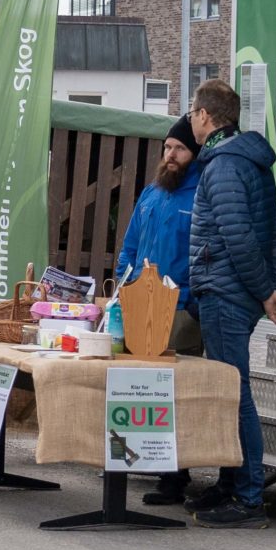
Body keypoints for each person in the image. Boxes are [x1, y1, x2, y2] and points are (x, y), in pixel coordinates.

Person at [182, 78, 276, 529]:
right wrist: (272, 286)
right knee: (229, 392)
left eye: (192, 111)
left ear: (205, 116)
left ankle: (247, 498)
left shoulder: (223, 165)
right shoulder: (250, 161)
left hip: (226, 289)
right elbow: (274, 231)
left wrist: (266, 291)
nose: (190, 119)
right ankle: (230, 485)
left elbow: (237, 235)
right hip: (238, 289)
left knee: (233, 393)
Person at [122, 118, 207, 505]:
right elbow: (130, 247)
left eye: (180, 149)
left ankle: (175, 477)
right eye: (168, 147)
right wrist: (125, 288)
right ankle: (134, 462)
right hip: (139, 305)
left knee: (170, 393)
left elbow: (205, 257)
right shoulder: (152, 194)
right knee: (139, 391)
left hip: (180, 309)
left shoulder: (202, 197)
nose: (170, 156)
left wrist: (186, 298)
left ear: (195, 154)